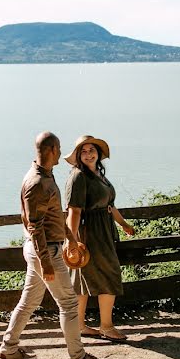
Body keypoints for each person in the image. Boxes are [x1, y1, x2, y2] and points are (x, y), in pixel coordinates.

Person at [0, 131, 110, 359]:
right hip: (45, 250)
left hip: (42, 248)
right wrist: (46, 262)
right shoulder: (38, 183)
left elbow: (53, 216)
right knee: (69, 304)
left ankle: (9, 348)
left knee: (29, 301)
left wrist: (70, 237)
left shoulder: (45, 176)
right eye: (59, 148)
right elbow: (35, 226)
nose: (61, 153)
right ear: (51, 150)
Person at [64, 135, 135, 342]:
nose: (88, 154)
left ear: (98, 153)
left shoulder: (98, 175)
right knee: (109, 274)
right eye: (83, 151)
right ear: (78, 156)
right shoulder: (78, 176)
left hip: (103, 230)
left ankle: (80, 326)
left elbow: (109, 206)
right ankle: (106, 326)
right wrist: (71, 240)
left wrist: (123, 224)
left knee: (83, 278)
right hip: (89, 233)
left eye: (91, 150)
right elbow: (74, 211)